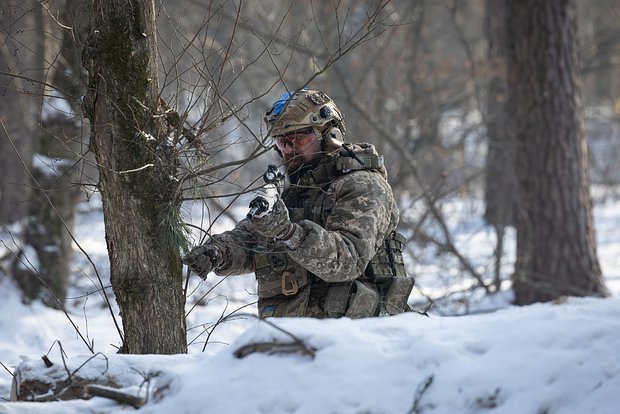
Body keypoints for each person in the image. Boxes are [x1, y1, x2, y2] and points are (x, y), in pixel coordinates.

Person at [183, 88, 413, 318]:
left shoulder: (362, 185)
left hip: (359, 338)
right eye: (281, 142)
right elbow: (250, 238)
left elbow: (347, 261)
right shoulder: (296, 188)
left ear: (331, 136)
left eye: (297, 139)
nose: (287, 150)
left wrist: (289, 233)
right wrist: (217, 253)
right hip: (297, 336)